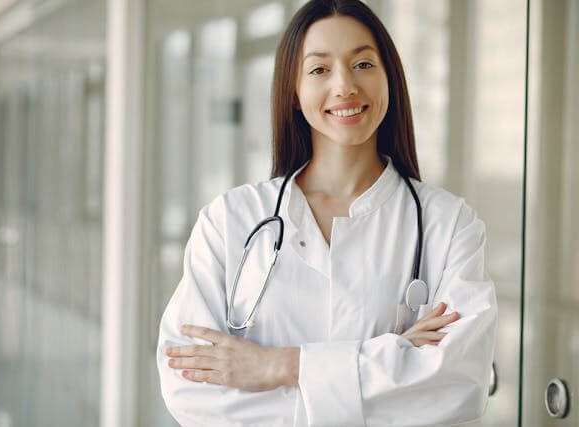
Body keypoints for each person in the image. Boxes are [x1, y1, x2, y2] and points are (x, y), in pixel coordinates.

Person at [157, 0, 498, 425]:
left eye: (363, 64)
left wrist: (278, 367)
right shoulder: (230, 220)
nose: (345, 86)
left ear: (389, 76)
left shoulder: (449, 224)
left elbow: (457, 384)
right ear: (294, 93)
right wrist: (393, 359)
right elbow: (189, 386)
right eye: (319, 69)